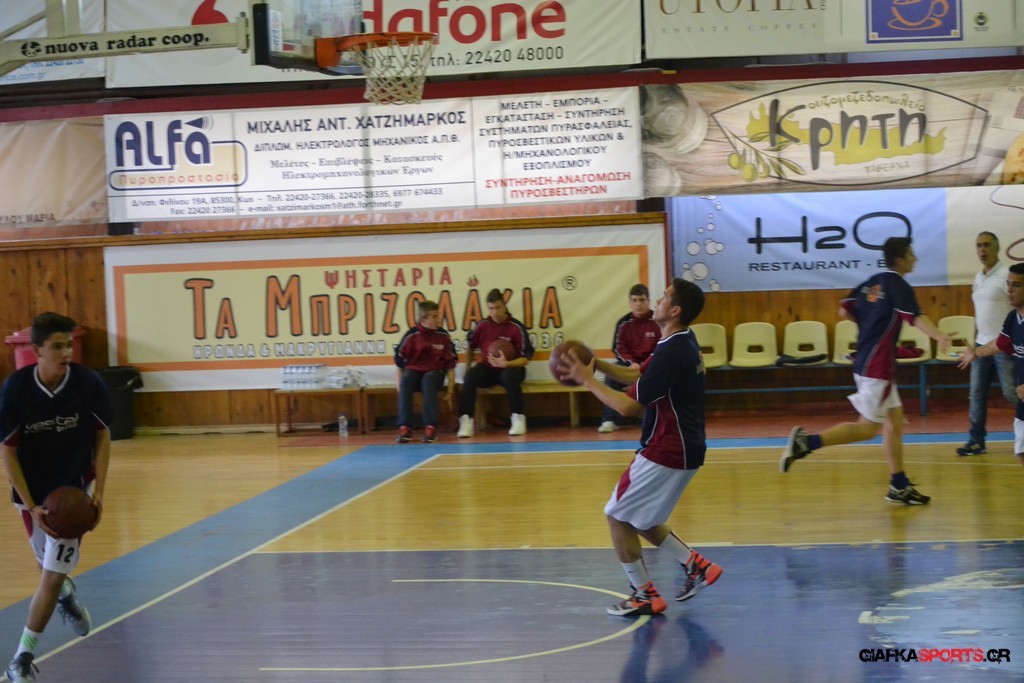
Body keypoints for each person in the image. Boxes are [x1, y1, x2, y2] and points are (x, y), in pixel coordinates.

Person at [558, 278, 722, 617]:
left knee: (617, 516)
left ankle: (643, 594)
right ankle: (697, 566)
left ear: (674, 310)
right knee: (644, 517)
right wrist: (596, 365)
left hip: (665, 449)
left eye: (663, 298)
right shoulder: (681, 340)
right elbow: (637, 377)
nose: (657, 301)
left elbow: (628, 407)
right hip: (686, 448)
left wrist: (586, 381)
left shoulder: (672, 353)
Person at [780, 237, 951, 505]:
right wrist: (939, 335)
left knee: (894, 421)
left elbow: (844, 311)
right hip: (877, 365)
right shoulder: (898, 284)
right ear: (899, 261)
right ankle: (806, 443)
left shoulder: (874, 282)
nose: (915, 259)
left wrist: (871, 325)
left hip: (866, 358)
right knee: (867, 429)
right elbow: (915, 317)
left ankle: (899, 485)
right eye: (911, 254)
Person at [1, 313, 112, 683]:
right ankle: (65, 594)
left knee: (49, 575)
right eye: (57, 346)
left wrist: (99, 493)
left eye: (69, 345)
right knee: (47, 572)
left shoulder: (87, 383)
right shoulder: (16, 389)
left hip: (73, 490)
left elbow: (102, 437)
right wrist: (31, 505)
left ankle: (20, 659)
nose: (66, 353)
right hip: (32, 492)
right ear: (36, 351)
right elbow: (8, 451)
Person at [957, 263, 1024, 469]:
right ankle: (977, 439)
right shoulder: (1013, 318)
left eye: (1016, 285)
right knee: (1021, 452)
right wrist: (975, 353)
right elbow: (1000, 343)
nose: (1009, 290)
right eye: (1008, 284)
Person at [457, 288, 534, 438]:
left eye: (498, 307)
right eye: (491, 308)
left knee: (509, 376)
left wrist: (506, 364)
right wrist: (467, 369)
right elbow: (470, 346)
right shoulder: (482, 325)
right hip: (489, 368)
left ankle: (518, 418)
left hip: (512, 367)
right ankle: (466, 421)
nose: (495, 312)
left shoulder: (516, 327)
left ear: (504, 306)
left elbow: (525, 359)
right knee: (470, 377)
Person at [598, 284, 661, 433]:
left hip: (652, 365)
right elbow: (618, 349)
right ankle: (610, 419)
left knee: (663, 373)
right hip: (630, 366)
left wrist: (646, 364)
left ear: (648, 301)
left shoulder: (658, 320)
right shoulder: (623, 323)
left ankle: (655, 418)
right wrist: (631, 363)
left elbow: (662, 347)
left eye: (642, 300)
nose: (638, 304)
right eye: (634, 300)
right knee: (611, 375)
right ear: (630, 303)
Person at [393, 300, 457, 443]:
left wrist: (450, 392)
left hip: (435, 372)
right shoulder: (411, 336)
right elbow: (399, 363)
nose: (438, 319)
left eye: (438, 315)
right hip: (415, 372)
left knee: (428, 380)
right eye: (434, 317)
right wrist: (399, 386)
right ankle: (404, 427)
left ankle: (430, 427)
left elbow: (451, 366)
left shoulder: (443, 336)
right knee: (406, 379)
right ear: (423, 320)